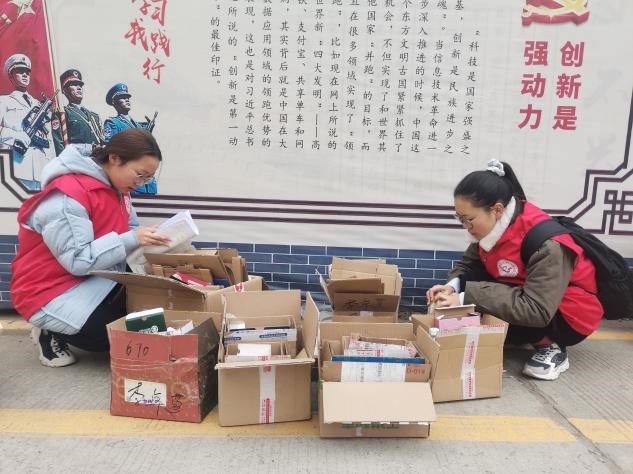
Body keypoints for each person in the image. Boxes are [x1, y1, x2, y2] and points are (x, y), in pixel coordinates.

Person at [426, 159, 602, 381]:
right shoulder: (491, 226)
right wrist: (452, 287)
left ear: (497, 210)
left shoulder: (548, 245)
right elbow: (469, 264)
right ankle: (516, 334)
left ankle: (551, 345)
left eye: (468, 220)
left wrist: (464, 298)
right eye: (460, 219)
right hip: (525, 292)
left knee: (481, 301)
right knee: (474, 290)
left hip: (565, 314)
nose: (465, 227)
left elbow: (537, 309)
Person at [10, 128, 170, 367]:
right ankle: (48, 329)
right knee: (108, 338)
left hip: (92, 277)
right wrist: (133, 238)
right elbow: (78, 260)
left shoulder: (119, 189)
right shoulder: (67, 196)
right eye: (139, 174)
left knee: (143, 319)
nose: (141, 184)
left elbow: (131, 229)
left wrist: (156, 239)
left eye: (147, 178)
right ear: (115, 158)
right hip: (47, 290)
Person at [0, 53, 55, 191]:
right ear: (11, 76)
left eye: (27, 72)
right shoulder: (3, 101)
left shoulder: (39, 105)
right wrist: (16, 136)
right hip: (17, 167)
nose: (25, 75)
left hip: (42, 168)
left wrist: (52, 165)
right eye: (20, 71)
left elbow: (48, 138)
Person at [103, 83, 157, 195]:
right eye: (122, 97)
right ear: (114, 103)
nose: (127, 100)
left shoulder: (139, 125)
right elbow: (110, 151)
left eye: (127, 97)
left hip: (147, 183)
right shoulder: (113, 123)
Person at [52, 68, 103, 155]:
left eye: (80, 85)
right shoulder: (62, 113)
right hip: (77, 159)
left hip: (97, 160)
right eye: (74, 84)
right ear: (65, 91)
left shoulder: (95, 116)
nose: (79, 88)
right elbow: (59, 143)